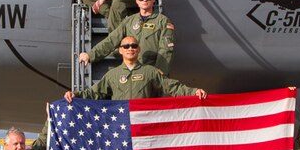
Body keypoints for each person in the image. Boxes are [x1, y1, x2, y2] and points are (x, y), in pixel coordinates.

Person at [64, 35, 206, 102]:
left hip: (142, 124)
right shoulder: (112, 75)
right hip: (120, 124)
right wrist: (75, 94)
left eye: (133, 46)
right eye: (126, 46)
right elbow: (94, 93)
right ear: (120, 50)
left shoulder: (150, 71)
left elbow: (172, 87)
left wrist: (193, 92)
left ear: (139, 49)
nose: (130, 48)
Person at [78, 0, 175, 76]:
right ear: (137, 1)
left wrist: (159, 72)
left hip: (150, 72)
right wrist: (90, 55)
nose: (145, 0)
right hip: (132, 71)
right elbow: (111, 40)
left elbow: (165, 50)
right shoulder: (129, 21)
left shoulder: (163, 21)